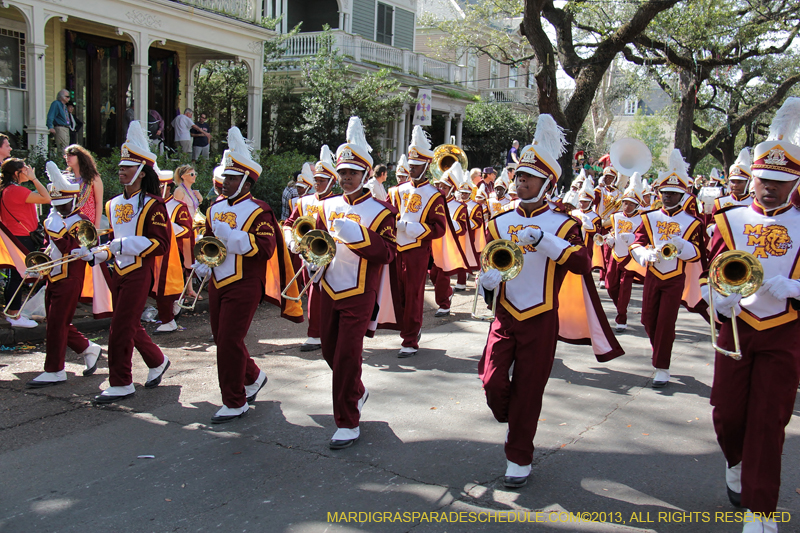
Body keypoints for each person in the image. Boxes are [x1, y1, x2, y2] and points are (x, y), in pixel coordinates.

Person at [478, 114, 623, 489]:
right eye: (519, 176)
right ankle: (516, 423)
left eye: (529, 178)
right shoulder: (498, 221)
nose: (521, 182)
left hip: (541, 318)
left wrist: (543, 239)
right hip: (504, 316)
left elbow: (580, 263)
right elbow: (489, 264)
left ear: (547, 183)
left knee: (529, 390)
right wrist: (487, 283)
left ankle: (519, 455)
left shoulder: (564, 223)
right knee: (493, 383)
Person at [703, 97, 800, 533]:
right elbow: (713, 272)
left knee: (769, 420)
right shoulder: (731, 219)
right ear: (752, 178)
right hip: (737, 329)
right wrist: (718, 300)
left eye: (780, 181)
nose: (769, 187)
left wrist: (797, 288)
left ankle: (761, 512)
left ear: (794, 182)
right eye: (763, 179)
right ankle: (735, 461)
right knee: (726, 413)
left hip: (785, 330)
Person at [197, 126, 302, 423]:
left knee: (229, 339)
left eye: (232, 178)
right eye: (225, 176)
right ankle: (253, 376)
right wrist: (203, 260)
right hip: (219, 280)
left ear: (245, 181)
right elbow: (208, 240)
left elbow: (266, 247)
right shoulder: (214, 208)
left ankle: (234, 400)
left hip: (245, 282)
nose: (225, 182)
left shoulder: (260, 210)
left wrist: (232, 237)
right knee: (223, 338)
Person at [316, 116, 396, 448]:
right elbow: (317, 242)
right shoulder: (326, 206)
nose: (346, 178)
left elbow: (389, 253)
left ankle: (347, 421)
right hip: (328, 287)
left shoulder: (381, 212)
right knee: (329, 351)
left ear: (364, 174)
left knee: (348, 355)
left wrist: (360, 236)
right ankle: (357, 392)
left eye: (352, 172)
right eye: (342, 173)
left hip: (360, 292)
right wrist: (309, 256)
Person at [88, 121, 171, 403]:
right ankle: (157, 360)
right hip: (118, 271)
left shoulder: (153, 204)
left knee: (120, 327)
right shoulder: (112, 204)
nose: (121, 170)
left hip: (139, 271)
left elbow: (160, 243)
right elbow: (111, 240)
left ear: (140, 171)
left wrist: (123, 245)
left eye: (127, 167)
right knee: (128, 323)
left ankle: (122, 382)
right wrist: (97, 253)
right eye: (120, 166)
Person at [629, 149, 704, 388]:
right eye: (665, 193)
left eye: (673, 193)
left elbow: (700, 253)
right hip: (653, 273)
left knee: (666, 322)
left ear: (682, 195)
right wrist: (642, 253)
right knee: (647, 319)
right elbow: (636, 242)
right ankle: (659, 350)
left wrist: (684, 247)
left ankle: (662, 366)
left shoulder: (693, 223)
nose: (669, 197)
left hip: (675, 277)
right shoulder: (649, 217)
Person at [26, 162, 102, 387]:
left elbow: (80, 246)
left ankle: (55, 370)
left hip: (71, 277)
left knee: (58, 323)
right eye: (57, 204)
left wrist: (57, 232)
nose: (60, 208)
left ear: (74, 199)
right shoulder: (55, 217)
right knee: (55, 322)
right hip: (54, 274)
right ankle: (88, 348)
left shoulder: (81, 221)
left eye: (64, 204)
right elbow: (51, 246)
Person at [394, 126, 447, 357]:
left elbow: (440, 228)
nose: (412, 168)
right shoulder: (396, 191)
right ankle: (405, 331)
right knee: (398, 294)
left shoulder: (435, 195)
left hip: (417, 251)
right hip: (396, 249)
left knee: (414, 294)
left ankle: (409, 339)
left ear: (426, 166)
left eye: (417, 165)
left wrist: (414, 229)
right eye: (411, 164)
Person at [283, 147, 337, 352]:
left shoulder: (338, 201)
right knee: (314, 294)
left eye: (322, 180)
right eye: (316, 179)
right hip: (308, 254)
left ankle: (321, 333)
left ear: (332, 181)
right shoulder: (304, 201)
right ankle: (316, 333)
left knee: (329, 295)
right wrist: (291, 241)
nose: (317, 183)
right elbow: (289, 223)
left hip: (332, 255)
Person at [0, 158, 51, 327]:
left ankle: (12, 312)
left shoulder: (5, 190)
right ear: (17, 173)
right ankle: (13, 315)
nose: (28, 171)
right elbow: (46, 198)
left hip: (12, 236)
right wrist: (34, 179)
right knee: (19, 276)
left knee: (15, 276)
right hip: (21, 237)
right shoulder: (17, 191)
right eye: (25, 169)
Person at [604, 172, 645, 333]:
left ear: (636, 205)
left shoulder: (642, 219)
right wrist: (610, 238)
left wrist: (634, 237)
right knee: (610, 286)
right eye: (625, 203)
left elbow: (645, 239)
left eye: (630, 204)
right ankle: (621, 307)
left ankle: (621, 317)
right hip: (615, 255)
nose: (626, 206)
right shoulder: (616, 217)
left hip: (630, 258)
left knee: (624, 288)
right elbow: (612, 231)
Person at [154, 169, 193, 333]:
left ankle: (169, 317)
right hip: (155, 250)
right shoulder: (151, 203)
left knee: (166, 285)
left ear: (166, 187)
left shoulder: (178, 207)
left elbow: (187, 230)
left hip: (173, 252)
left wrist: (166, 227)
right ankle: (172, 308)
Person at [429, 162, 469, 317]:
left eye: (444, 187)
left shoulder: (460, 207)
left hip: (449, 247)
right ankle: (447, 293)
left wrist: (446, 220)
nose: (441, 189)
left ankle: (444, 304)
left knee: (442, 277)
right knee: (433, 275)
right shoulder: (435, 201)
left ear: (452, 189)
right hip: (434, 245)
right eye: (440, 186)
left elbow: (462, 228)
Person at [64, 144, 103, 225]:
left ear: (80, 157)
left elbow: (98, 202)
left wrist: (97, 224)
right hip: (70, 221)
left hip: (88, 221)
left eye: (70, 155)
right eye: (66, 155)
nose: (67, 158)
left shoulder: (93, 177)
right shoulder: (66, 177)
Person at [713, 148, 753, 214]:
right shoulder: (720, 202)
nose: (735, 185)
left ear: (747, 183)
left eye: (740, 182)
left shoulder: (755, 203)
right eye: (733, 182)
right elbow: (712, 223)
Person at [47, 89, 71, 154]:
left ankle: (64, 162)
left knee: (66, 148)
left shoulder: (64, 106)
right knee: (62, 148)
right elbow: (51, 115)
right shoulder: (56, 103)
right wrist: (50, 126)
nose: (69, 98)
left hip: (66, 128)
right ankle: (62, 162)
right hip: (60, 127)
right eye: (67, 96)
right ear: (61, 96)